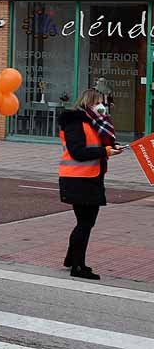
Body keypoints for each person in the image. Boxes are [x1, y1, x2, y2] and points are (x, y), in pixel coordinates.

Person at [57, 88, 124, 280]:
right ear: (88, 103)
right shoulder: (76, 122)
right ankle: (78, 266)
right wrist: (105, 152)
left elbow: (95, 146)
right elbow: (77, 151)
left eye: (103, 102)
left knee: (84, 222)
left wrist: (110, 148)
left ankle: (71, 259)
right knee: (85, 223)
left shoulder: (94, 123)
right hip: (78, 178)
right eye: (98, 102)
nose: (102, 106)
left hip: (91, 177)